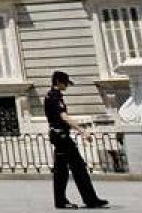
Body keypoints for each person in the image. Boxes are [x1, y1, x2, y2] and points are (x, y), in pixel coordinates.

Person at [46, 71, 109, 210]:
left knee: (64, 170)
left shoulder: (52, 95)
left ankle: (70, 200)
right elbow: (64, 117)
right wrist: (82, 131)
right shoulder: (54, 96)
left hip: (59, 136)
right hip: (61, 137)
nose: (66, 86)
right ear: (58, 82)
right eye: (65, 83)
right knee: (76, 168)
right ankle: (89, 200)